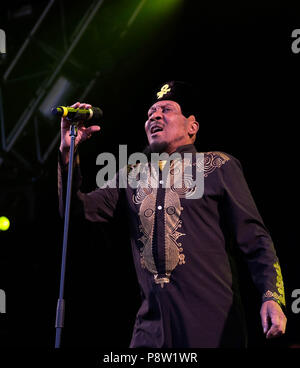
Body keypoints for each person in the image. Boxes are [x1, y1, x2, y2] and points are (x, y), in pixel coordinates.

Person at [58, 81, 287, 348]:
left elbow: (255, 238)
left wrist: (271, 295)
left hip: (212, 328)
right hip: (151, 331)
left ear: (192, 127)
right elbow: (76, 212)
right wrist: (67, 152)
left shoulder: (217, 166)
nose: (154, 116)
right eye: (150, 113)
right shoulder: (132, 176)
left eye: (166, 109)